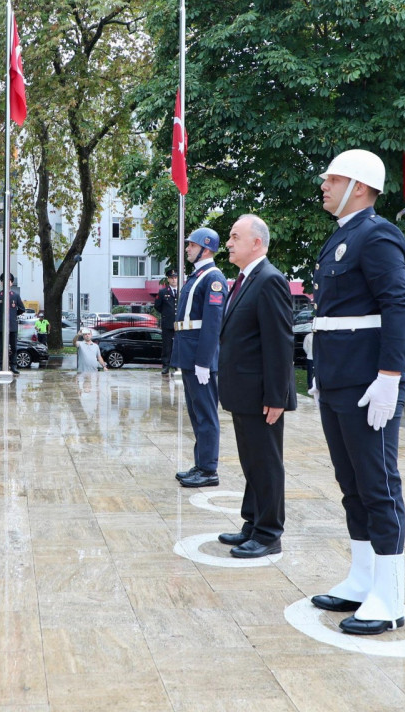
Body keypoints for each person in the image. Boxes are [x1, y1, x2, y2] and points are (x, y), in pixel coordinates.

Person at [308, 149, 405, 636]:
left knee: (378, 486)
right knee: (350, 484)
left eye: (334, 179)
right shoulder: (339, 239)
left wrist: (391, 376)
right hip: (337, 380)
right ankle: (362, 577)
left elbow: (397, 306)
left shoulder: (378, 234)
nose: (324, 186)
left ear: (362, 186)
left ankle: (390, 597)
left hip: (367, 382)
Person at [215, 215, 297, 559]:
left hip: (263, 396)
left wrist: (277, 396)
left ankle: (268, 533)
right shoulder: (245, 279)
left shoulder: (269, 280)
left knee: (266, 463)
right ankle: (252, 523)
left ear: (256, 243)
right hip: (243, 393)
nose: (229, 242)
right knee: (252, 462)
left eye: (235, 236)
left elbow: (279, 343)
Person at [172, 227, 227, 488]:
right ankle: (201, 463)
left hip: (199, 357)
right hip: (189, 353)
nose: (187, 249)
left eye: (191, 246)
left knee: (206, 415)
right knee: (196, 414)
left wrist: (204, 361)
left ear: (206, 248)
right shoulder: (198, 275)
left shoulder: (213, 278)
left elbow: (213, 323)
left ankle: (209, 470)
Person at [0, 274, 26, 375]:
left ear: (11, 282)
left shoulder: (15, 296)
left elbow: (22, 309)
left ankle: (13, 365)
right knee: (0, 347)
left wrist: (12, 315)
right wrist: (0, 316)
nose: (6, 282)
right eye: (3, 280)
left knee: (13, 347)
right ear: (1, 282)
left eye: (9, 280)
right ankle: (0, 365)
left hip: (12, 326)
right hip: (1, 326)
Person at [154, 269, 179, 375]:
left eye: (175, 277)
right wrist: (166, 314)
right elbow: (157, 306)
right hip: (168, 322)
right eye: (172, 278)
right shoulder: (163, 292)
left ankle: (178, 366)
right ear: (168, 279)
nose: (174, 280)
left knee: (179, 345)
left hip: (179, 323)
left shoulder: (182, 290)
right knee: (167, 346)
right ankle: (166, 365)